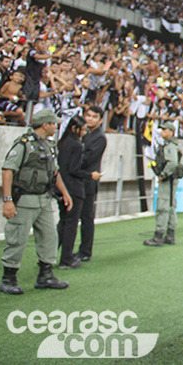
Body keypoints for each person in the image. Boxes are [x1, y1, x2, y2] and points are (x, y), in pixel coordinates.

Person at [0, 109, 73, 294]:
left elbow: (54, 172)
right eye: (53, 123)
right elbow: (8, 169)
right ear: (45, 124)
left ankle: (45, 275)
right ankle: (8, 278)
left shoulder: (48, 145)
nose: (56, 127)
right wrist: (7, 200)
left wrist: (64, 192)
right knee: (17, 239)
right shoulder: (24, 144)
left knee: (49, 237)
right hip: (25, 199)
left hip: (44, 199)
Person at [56, 115, 100, 269]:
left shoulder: (62, 143)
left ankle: (48, 255)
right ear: (75, 129)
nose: (84, 132)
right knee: (71, 224)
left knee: (63, 222)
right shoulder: (76, 145)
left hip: (61, 187)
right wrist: (90, 176)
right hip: (73, 188)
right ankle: (66, 258)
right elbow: (74, 170)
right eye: (82, 130)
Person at [144, 121, 180, 246]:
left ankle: (159, 235)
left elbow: (172, 163)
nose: (162, 132)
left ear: (170, 132)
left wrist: (163, 174)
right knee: (170, 206)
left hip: (167, 180)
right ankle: (170, 234)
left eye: (165, 130)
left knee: (163, 206)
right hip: (171, 180)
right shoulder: (172, 145)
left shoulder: (170, 146)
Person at [77, 105, 106, 261]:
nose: (90, 119)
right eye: (88, 115)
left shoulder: (99, 137)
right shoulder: (84, 133)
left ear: (100, 120)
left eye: (94, 117)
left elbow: (88, 159)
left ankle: (85, 251)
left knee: (87, 218)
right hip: (79, 179)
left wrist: (72, 164)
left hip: (89, 181)